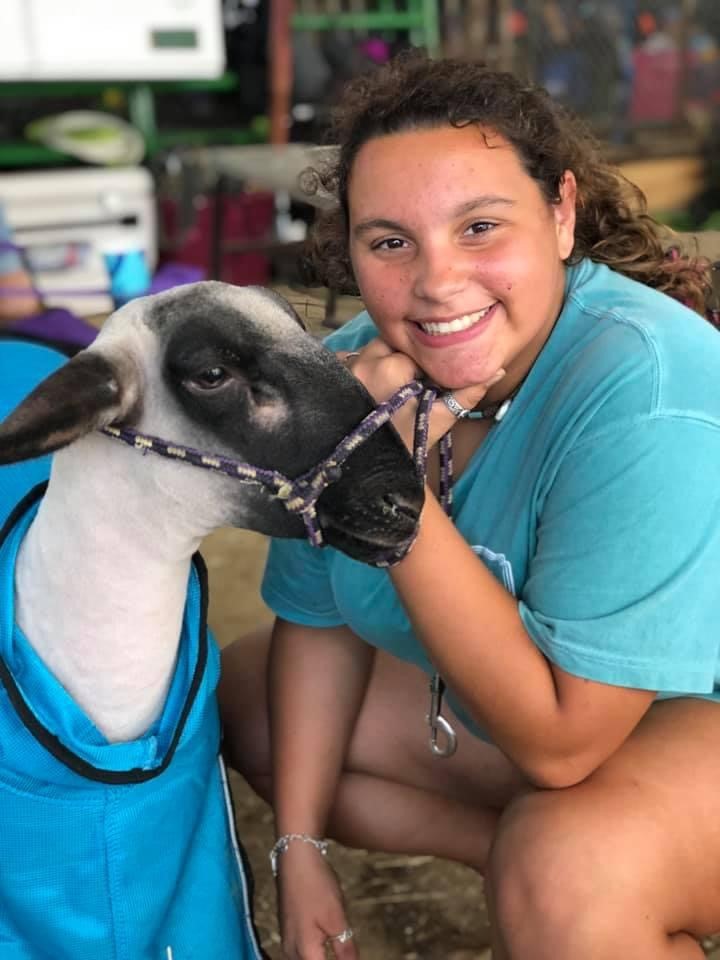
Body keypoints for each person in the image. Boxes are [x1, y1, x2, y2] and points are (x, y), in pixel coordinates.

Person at [219, 51, 720, 960]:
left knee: (569, 869)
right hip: (568, 733)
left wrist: (385, 492)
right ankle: (543, 876)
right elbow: (317, 624)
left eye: (481, 226)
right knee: (250, 700)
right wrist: (297, 851)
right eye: (390, 242)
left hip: (683, 718)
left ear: (561, 213)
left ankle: (573, 887)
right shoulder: (356, 364)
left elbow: (564, 746)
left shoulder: (649, 382)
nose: (438, 283)